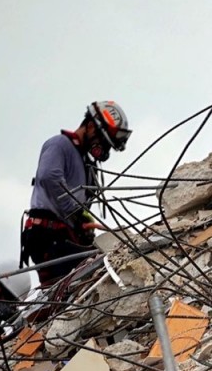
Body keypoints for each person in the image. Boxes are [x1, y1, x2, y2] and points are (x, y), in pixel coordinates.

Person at [21, 101, 131, 288]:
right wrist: (77, 215)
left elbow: (78, 203)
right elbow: (49, 177)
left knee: (93, 271)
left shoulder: (85, 164)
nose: (103, 149)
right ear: (89, 126)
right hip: (48, 235)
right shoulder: (60, 144)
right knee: (92, 272)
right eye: (103, 141)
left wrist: (84, 223)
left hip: (64, 236)